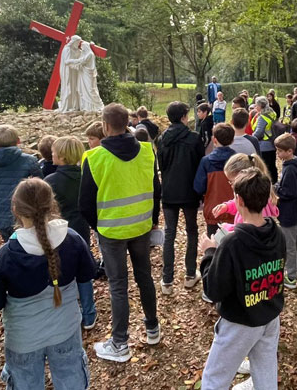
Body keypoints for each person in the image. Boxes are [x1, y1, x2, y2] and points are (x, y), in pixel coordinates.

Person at [0, 178, 96, 388]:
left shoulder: (6, 255)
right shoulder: (72, 239)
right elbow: (87, 273)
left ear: (15, 209)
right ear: (52, 204)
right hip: (66, 329)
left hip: (24, 337)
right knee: (72, 380)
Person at [80, 103, 162, 361]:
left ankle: (119, 343)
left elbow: (84, 203)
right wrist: (153, 220)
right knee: (144, 277)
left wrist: (98, 226)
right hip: (140, 226)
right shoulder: (148, 152)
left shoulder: (94, 158)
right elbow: (156, 190)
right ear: (127, 123)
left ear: (105, 127)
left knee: (118, 286)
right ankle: (152, 328)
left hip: (111, 230)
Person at [198, 167, 285, 390]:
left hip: (239, 322)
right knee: (266, 374)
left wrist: (209, 254)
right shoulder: (277, 233)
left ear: (238, 200)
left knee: (214, 379)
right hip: (269, 315)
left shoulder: (232, 243)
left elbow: (213, 290)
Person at [44, 136, 97, 330]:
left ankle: (66, 312)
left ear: (62, 156)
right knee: (83, 272)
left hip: (57, 231)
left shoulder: (51, 181)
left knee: (60, 271)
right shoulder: (86, 175)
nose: (52, 154)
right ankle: (89, 313)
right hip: (81, 226)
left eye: (54, 152)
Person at [157, 101, 205, 295]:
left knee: (170, 233)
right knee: (191, 231)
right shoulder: (193, 139)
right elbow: (200, 165)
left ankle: (167, 280)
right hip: (189, 190)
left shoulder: (162, 139)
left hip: (169, 190)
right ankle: (190, 274)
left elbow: (161, 164)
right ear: (184, 117)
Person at [0, 124, 44, 242]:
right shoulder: (29, 160)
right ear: (18, 141)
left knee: (11, 245)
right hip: (24, 214)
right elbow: (40, 185)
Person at [274, 133, 297, 290]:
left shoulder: (290, 169)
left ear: (289, 151)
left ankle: (290, 276)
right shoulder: (294, 164)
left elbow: (288, 192)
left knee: (289, 246)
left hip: (289, 213)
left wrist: (275, 188)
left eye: (280, 151)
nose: (278, 154)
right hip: (296, 211)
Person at [195, 123, 238, 238]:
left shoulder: (206, 161)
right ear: (232, 140)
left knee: (213, 245)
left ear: (214, 140)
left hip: (213, 209)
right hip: (235, 209)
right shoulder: (238, 160)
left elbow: (199, 187)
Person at [58, 35, 104, 112]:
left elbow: (81, 60)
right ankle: (70, 105)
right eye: (78, 43)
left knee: (82, 89)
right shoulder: (67, 49)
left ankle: (78, 106)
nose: (79, 45)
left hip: (77, 72)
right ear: (73, 42)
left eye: (80, 44)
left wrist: (72, 62)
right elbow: (66, 61)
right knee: (71, 88)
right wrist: (72, 62)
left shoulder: (85, 53)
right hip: (69, 72)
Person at [252, 96, 280, 181]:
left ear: (260, 106)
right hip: (272, 142)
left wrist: (251, 138)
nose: (255, 107)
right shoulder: (272, 113)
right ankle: (275, 183)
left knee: (265, 167)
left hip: (264, 145)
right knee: (272, 165)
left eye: (256, 105)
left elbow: (259, 132)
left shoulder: (262, 117)